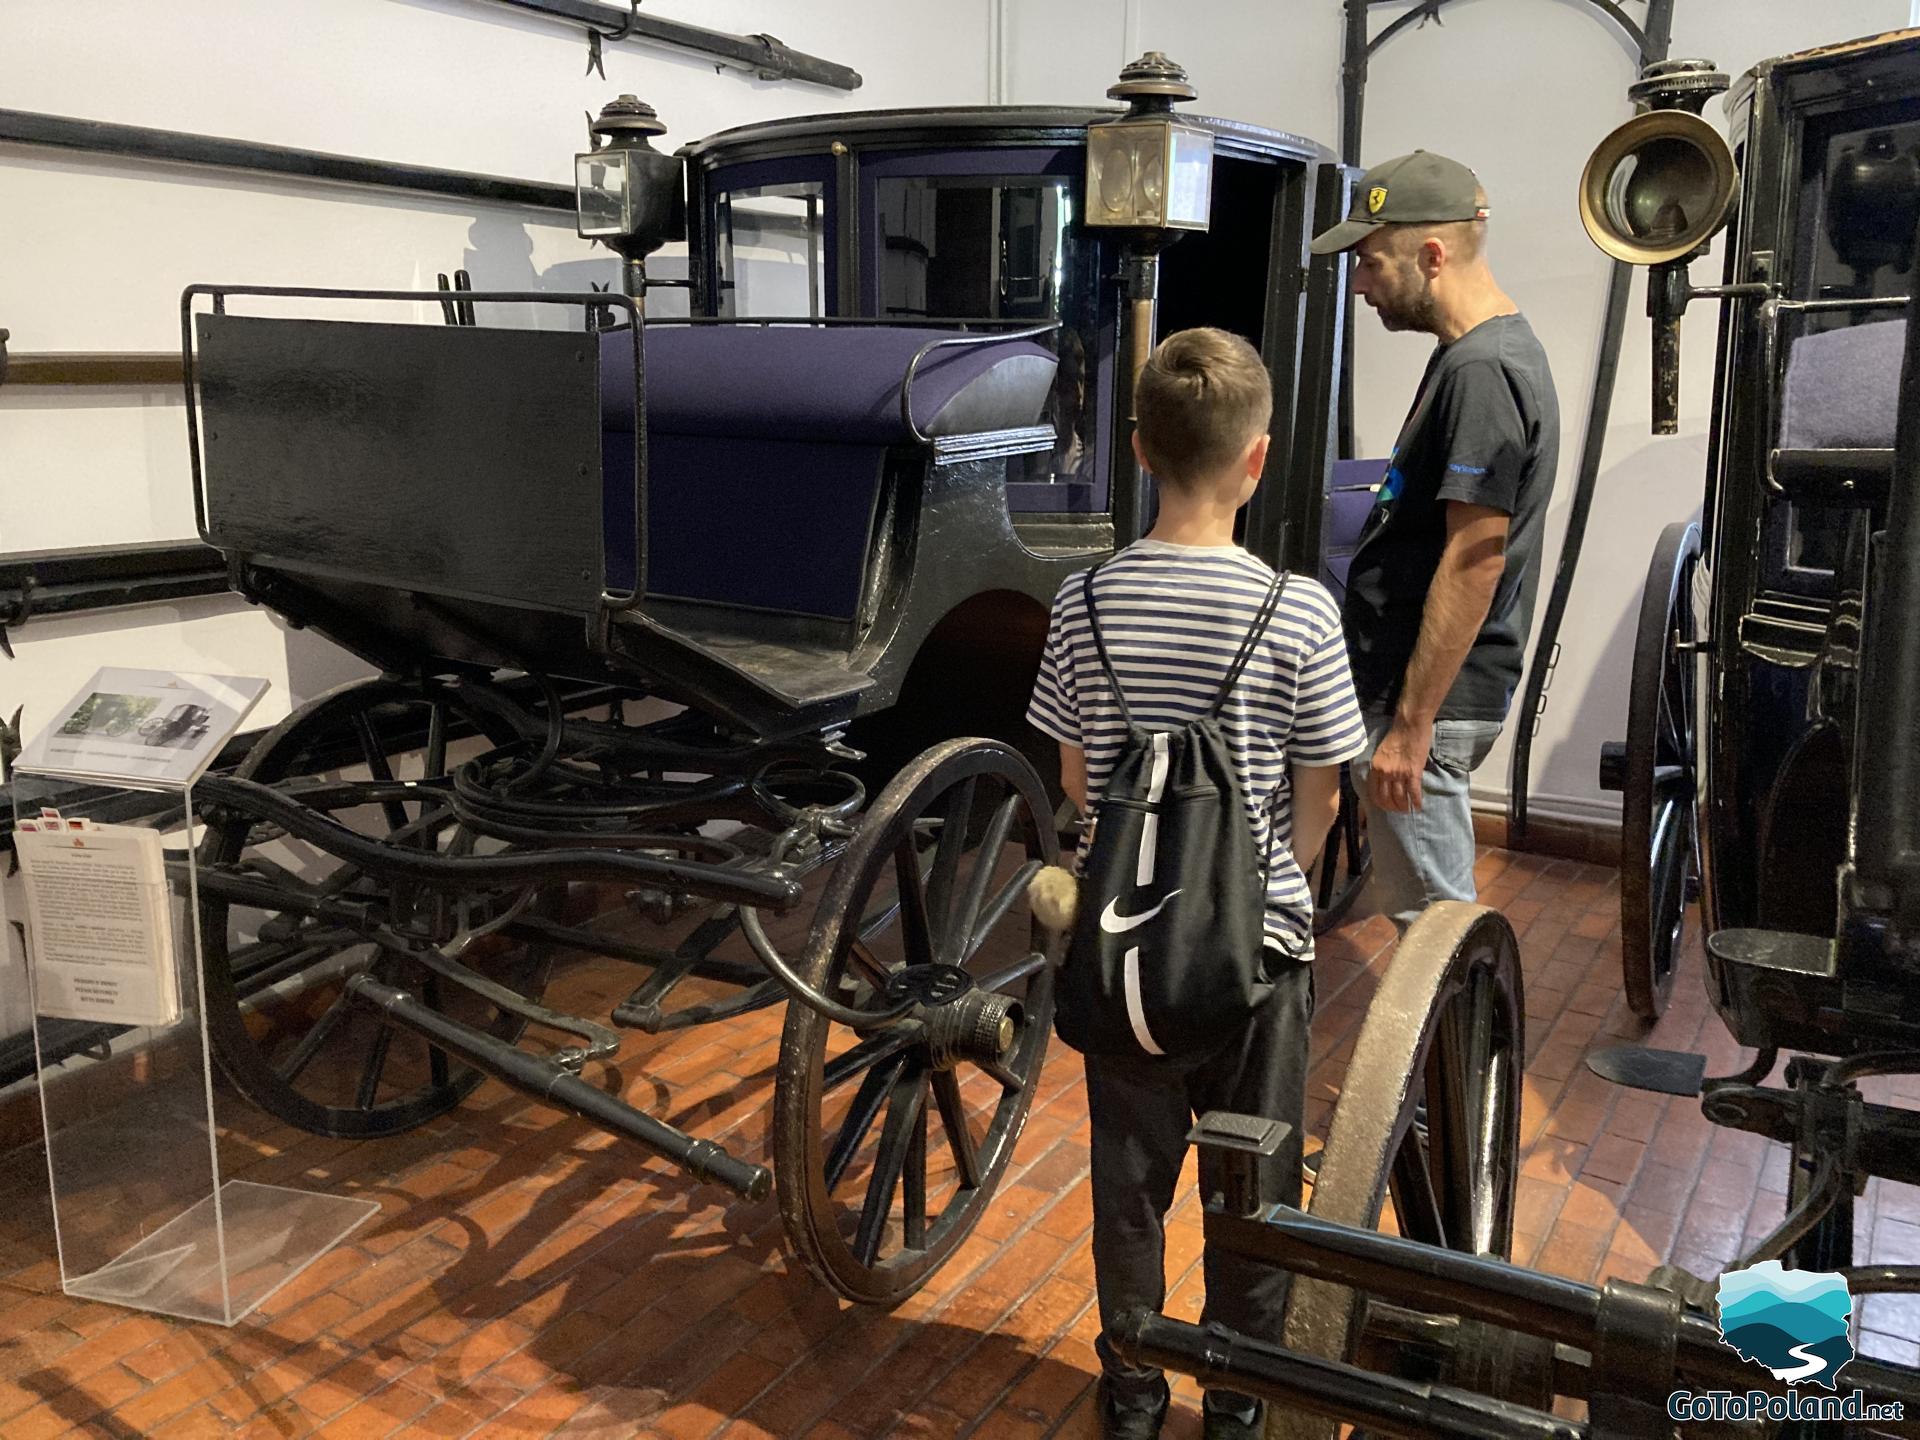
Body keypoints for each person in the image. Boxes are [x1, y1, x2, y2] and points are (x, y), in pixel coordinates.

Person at [1026, 327, 1368, 1439]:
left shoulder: (1080, 604)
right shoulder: (1302, 612)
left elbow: (1077, 778)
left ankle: (1131, 1390)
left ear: (1138, 450)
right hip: (1254, 951)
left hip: (1121, 948)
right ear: (1258, 459)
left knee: (1128, 1187)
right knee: (1253, 1193)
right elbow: (1320, 796)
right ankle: (1237, 1405)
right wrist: (1274, 885)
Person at [1308, 151, 1561, 933]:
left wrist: (1411, 726)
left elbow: (1475, 558)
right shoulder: (1471, 356)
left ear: (1432, 254)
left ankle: (1469, 1055)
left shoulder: (1482, 372)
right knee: (1428, 925)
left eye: (1369, 260)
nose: (1358, 282)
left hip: (1432, 703)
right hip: (1423, 690)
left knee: (1437, 938)